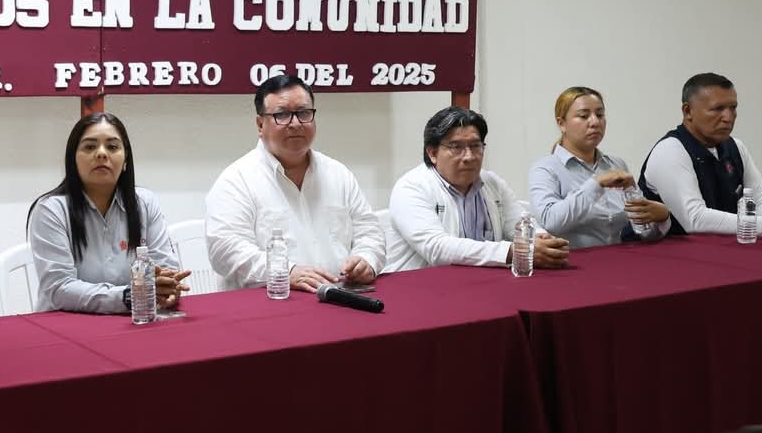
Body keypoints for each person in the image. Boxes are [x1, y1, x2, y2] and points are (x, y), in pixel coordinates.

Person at [205, 74, 384, 292]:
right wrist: (285, 271)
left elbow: (370, 232)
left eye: (303, 113)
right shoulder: (236, 180)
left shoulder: (338, 174)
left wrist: (366, 259)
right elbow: (225, 251)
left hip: (340, 296)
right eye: (282, 115)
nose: (296, 123)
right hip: (269, 302)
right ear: (260, 125)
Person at [27, 113, 190, 314]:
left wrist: (168, 288)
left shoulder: (145, 203)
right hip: (66, 323)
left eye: (112, 147)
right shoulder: (51, 210)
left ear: (126, 159)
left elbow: (165, 268)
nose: (101, 154)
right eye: (89, 147)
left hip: (134, 320)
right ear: (73, 159)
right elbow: (59, 288)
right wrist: (129, 296)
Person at [385, 106, 570, 273]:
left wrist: (543, 241)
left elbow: (521, 224)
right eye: (456, 147)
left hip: (480, 284)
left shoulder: (492, 183)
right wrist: (513, 251)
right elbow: (437, 248)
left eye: (475, 146)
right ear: (432, 153)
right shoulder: (411, 188)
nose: (469, 156)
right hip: (418, 287)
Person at [639, 73, 762, 238]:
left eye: (733, 108)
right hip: (670, 255)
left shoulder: (735, 147)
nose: (728, 118)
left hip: (722, 251)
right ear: (688, 111)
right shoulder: (670, 150)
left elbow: (761, 201)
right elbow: (695, 220)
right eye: (718, 109)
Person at [528, 86, 671, 247]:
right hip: (572, 260)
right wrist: (596, 184)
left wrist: (662, 217)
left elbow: (645, 234)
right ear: (562, 124)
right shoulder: (545, 168)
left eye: (600, 115)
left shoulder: (616, 164)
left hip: (617, 257)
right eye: (584, 116)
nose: (595, 122)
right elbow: (550, 222)